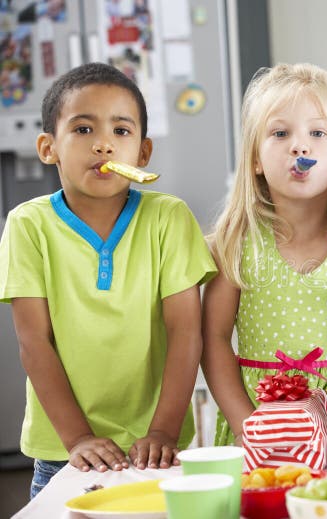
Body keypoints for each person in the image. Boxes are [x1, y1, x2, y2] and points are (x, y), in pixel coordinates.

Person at [0, 62, 217, 498]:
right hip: (64, 453)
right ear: (48, 147)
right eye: (83, 130)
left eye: (121, 131)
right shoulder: (28, 225)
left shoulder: (168, 218)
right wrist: (77, 438)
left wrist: (164, 430)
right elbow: (34, 342)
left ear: (143, 153)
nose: (103, 145)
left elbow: (185, 332)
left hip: (155, 449)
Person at [202, 63, 327, 446]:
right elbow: (214, 338)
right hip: (256, 416)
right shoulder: (236, 235)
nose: (300, 146)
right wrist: (247, 426)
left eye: (318, 133)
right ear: (255, 159)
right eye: (280, 133)